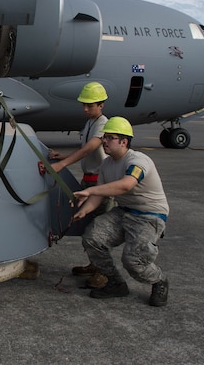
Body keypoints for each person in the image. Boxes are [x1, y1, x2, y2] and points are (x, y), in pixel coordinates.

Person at [72, 116, 170, 307]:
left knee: (133, 260)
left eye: (110, 137)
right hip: (124, 211)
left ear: (124, 141)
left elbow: (125, 185)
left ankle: (159, 280)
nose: (105, 141)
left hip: (149, 215)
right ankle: (115, 283)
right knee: (92, 238)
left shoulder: (138, 161)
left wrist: (90, 190)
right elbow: (99, 196)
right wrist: (83, 211)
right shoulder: (106, 164)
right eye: (105, 137)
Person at [48, 81, 110, 289]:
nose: (85, 108)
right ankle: (94, 264)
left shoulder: (103, 124)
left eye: (90, 105)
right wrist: (62, 156)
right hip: (89, 181)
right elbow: (83, 149)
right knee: (88, 226)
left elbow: (89, 149)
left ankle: (103, 273)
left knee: (97, 230)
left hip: (100, 184)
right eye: (83, 104)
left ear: (101, 105)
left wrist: (63, 164)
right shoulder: (90, 123)